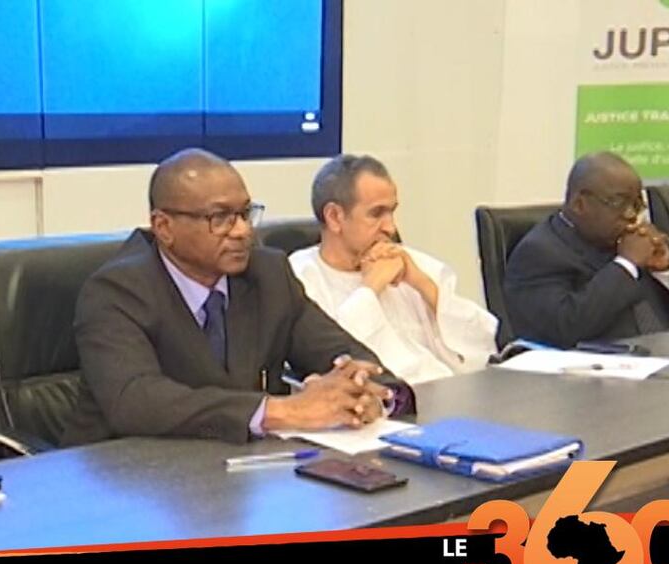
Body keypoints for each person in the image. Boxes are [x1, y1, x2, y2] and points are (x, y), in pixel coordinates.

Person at [60, 148, 415, 447]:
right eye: (220, 218)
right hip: (125, 482)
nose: (242, 231)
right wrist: (279, 411)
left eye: (245, 214)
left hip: (239, 475)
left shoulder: (267, 275)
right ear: (164, 227)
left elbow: (342, 351)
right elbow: (135, 400)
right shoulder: (116, 292)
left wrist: (368, 395)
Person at [290, 154, 497, 384]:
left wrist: (423, 284)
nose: (391, 227)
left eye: (392, 212)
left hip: (452, 392)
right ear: (335, 217)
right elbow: (338, 361)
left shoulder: (405, 261)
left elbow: (484, 349)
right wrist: (370, 289)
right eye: (376, 214)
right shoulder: (299, 278)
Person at [503, 151, 669, 348]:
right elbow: (565, 329)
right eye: (619, 203)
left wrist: (663, 270)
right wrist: (626, 265)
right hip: (604, 364)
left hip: (668, 354)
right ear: (579, 204)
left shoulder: (623, 241)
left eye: (637, 205)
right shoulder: (538, 253)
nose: (631, 215)